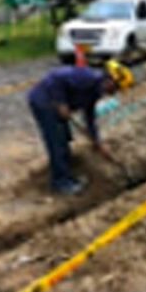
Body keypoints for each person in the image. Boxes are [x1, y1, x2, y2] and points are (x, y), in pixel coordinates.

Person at [27, 60, 134, 195]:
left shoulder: (96, 90)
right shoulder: (86, 78)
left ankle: (67, 175)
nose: (114, 93)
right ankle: (60, 182)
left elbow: (89, 115)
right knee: (57, 142)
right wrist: (61, 102)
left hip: (56, 105)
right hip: (44, 102)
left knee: (65, 139)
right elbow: (54, 78)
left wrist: (96, 141)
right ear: (110, 80)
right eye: (116, 88)